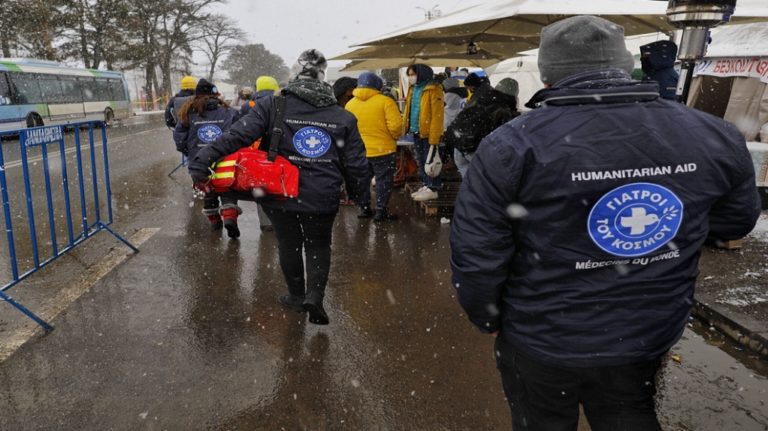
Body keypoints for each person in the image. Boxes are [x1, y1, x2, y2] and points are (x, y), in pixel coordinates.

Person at [450, 15, 761, 431]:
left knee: (540, 422)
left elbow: (478, 249)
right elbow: (734, 221)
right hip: (646, 327)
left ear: (547, 73)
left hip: (542, 332)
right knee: (628, 412)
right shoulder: (712, 133)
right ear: (623, 64)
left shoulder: (513, 143)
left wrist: (485, 315)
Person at [188, 49, 368, 325]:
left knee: (289, 243)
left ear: (296, 73)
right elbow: (355, 163)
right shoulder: (341, 115)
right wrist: (360, 194)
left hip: (280, 190)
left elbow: (237, 136)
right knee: (319, 245)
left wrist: (203, 160)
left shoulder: (274, 106)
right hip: (323, 193)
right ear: (323, 77)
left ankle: (297, 296)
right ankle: (315, 297)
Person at [173, 78, 242, 238]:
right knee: (227, 188)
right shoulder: (229, 111)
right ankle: (230, 217)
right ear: (215, 95)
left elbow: (179, 139)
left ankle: (214, 220)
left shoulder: (187, 112)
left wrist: (190, 152)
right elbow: (238, 134)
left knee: (208, 189)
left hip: (198, 161)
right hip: (225, 158)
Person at [345, 72, 403, 222]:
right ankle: (381, 211)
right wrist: (394, 137)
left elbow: (346, 128)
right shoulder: (385, 101)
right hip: (383, 150)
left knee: (362, 180)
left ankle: (364, 208)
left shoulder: (350, 104)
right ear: (378, 85)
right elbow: (396, 126)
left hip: (360, 150)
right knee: (384, 180)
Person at [446, 77, 519, 178]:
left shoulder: (481, 97)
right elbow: (503, 135)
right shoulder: (503, 107)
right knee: (484, 182)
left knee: (470, 182)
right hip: (474, 147)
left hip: (458, 142)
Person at [402, 64, 444, 202]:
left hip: (427, 132)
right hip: (415, 130)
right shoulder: (413, 89)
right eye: (409, 74)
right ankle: (427, 184)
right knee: (421, 160)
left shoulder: (433, 89)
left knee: (430, 161)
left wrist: (434, 137)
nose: (410, 77)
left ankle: (433, 187)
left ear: (421, 74)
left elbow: (437, 116)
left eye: (413, 74)